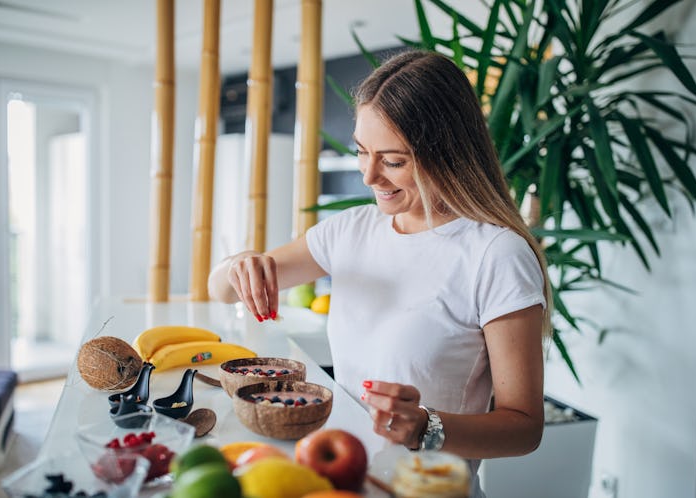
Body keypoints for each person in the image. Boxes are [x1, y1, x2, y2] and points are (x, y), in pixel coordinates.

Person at [209, 49, 551, 496]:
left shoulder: (495, 254)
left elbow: (525, 429)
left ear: (448, 153)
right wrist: (241, 263)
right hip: (340, 482)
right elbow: (221, 290)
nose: (368, 176)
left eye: (393, 161)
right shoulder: (350, 231)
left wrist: (426, 427)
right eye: (361, 150)